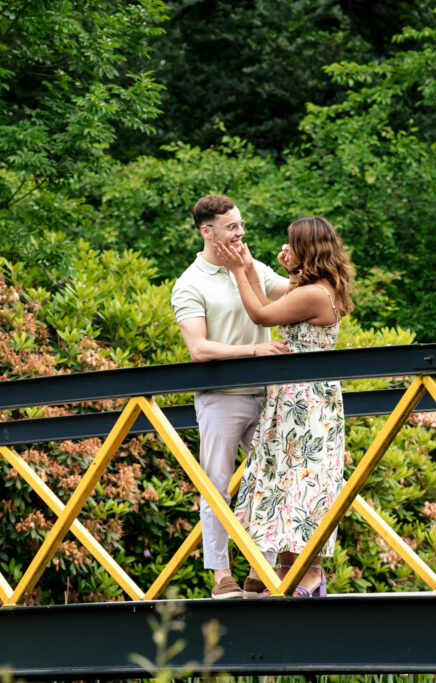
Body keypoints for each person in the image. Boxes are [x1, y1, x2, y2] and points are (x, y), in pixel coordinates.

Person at [213, 216, 353, 597]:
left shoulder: (315, 294)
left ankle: (308, 574)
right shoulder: (311, 288)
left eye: (292, 245)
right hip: (290, 397)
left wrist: (239, 269)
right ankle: (287, 567)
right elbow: (268, 301)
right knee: (288, 478)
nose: (286, 250)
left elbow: (260, 314)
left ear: (308, 249)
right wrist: (272, 271)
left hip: (306, 400)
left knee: (304, 478)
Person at [171, 194, 292, 599]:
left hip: (267, 396)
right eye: (232, 228)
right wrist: (255, 351)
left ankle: (263, 568)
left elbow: (291, 293)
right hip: (220, 398)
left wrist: (315, 265)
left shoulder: (253, 265)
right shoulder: (189, 283)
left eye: (241, 225)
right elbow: (199, 350)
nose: (241, 234)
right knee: (216, 486)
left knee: (273, 479)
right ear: (207, 232)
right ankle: (222, 576)